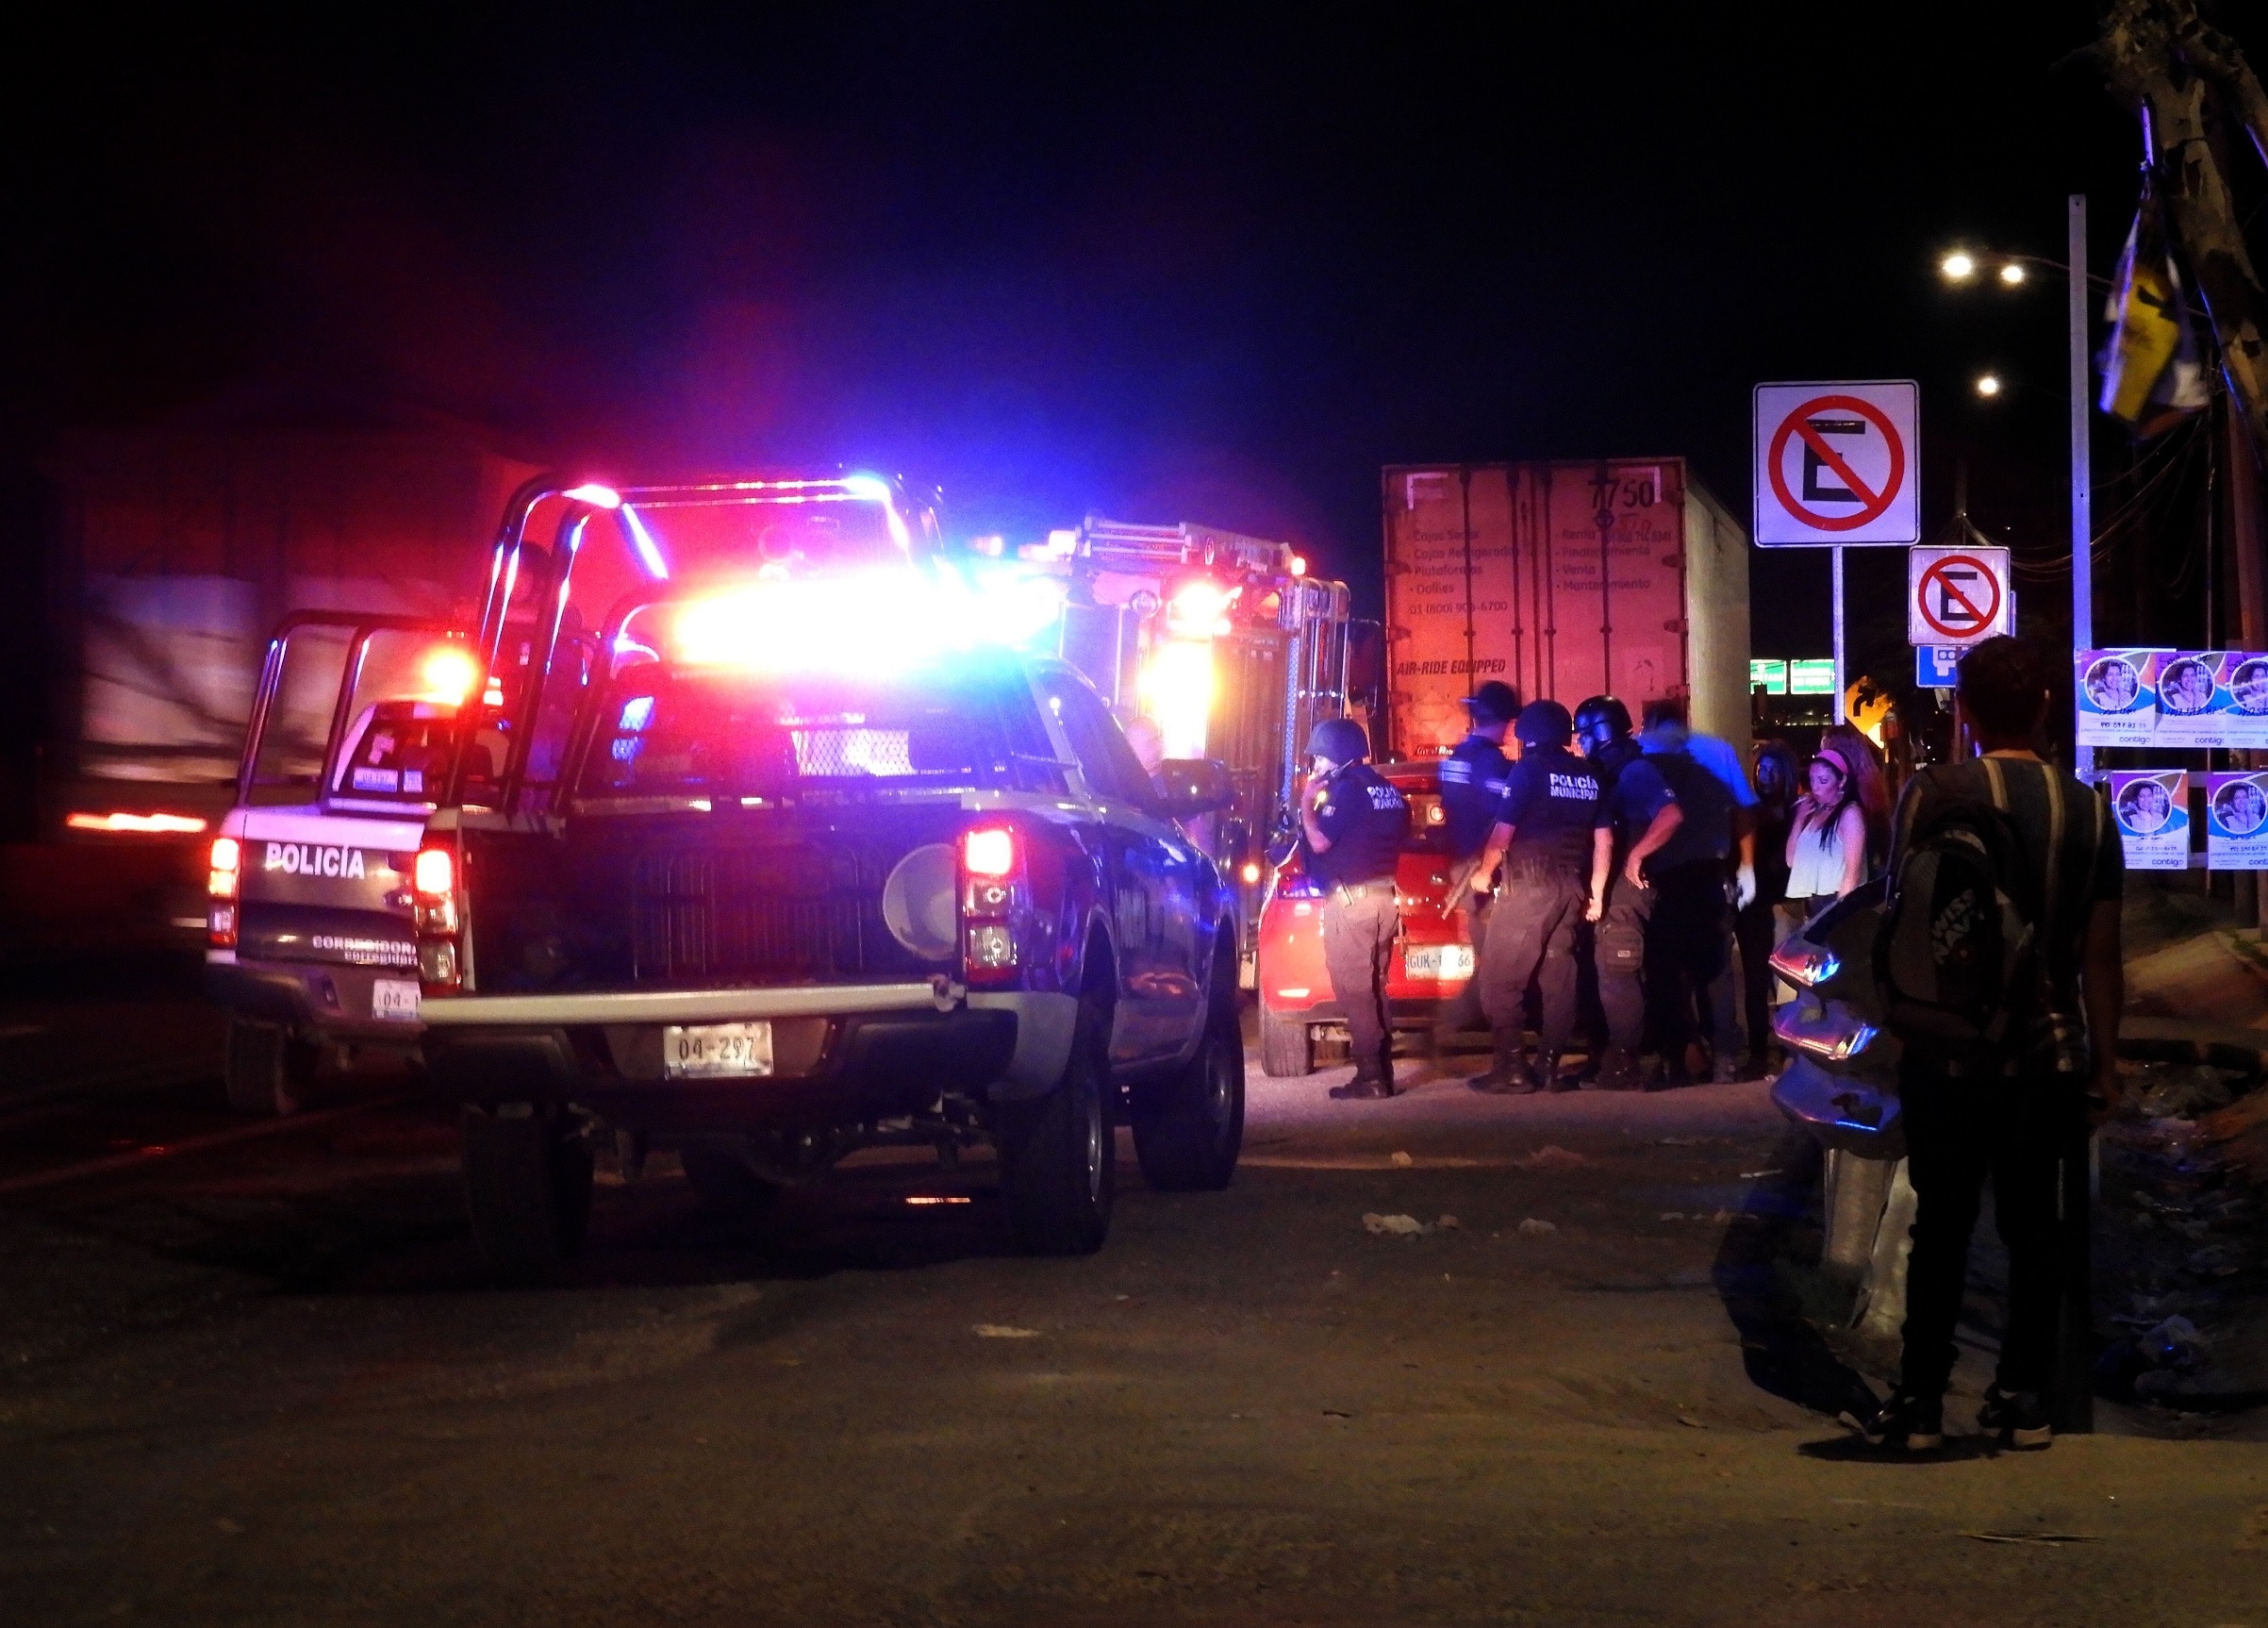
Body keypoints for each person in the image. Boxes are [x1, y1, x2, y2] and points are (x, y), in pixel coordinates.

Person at [1862, 637, 2125, 1454]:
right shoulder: (2087, 809)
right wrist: (2103, 1064)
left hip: (1941, 1050)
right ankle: (2022, 1397)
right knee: (2031, 1225)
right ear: (2047, 705)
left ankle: (1917, 1400)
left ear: (1965, 711)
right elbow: (2099, 954)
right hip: (2041, 1054)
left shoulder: (1928, 792)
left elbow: (1903, 911)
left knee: (1939, 1223)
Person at [1466, 700, 1603, 1093]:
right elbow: (1602, 838)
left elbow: (1504, 830)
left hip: (1530, 885)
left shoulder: (1529, 769)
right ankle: (1549, 1067)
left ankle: (1510, 1069)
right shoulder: (1588, 774)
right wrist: (1594, 892)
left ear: (1528, 735)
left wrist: (1483, 874)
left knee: (1498, 982)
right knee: (1559, 977)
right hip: (1571, 887)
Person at [1638, 699, 1753, 1084]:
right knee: (1715, 969)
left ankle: (1684, 1056)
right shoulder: (1715, 750)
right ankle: (1724, 1057)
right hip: (1710, 872)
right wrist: (1745, 865)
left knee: (1672, 971)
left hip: (1668, 876)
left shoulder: (1646, 751)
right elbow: (1743, 807)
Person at [1300, 717, 1410, 1102]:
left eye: (1320, 759)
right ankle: (1384, 1071)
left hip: (1352, 904)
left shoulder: (1344, 792)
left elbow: (1318, 843)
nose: (1316, 767)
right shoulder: (1389, 791)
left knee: (1355, 992)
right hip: (1384, 899)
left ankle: (1370, 1077)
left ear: (1338, 757)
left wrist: (1306, 806)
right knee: (1375, 990)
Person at [1579, 695, 1681, 1089]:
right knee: (1613, 974)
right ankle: (1617, 1057)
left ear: (1597, 733)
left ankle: (1625, 1064)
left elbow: (1672, 814)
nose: (1580, 744)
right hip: (1614, 887)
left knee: (1617, 973)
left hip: (1627, 890)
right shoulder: (1612, 768)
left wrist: (1637, 855)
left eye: (1584, 735)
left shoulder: (1634, 769)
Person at [1432, 680, 1519, 1048]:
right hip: (1485, 870)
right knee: (1496, 958)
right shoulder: (1492, 763)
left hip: (1462, 865)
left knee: (1487, 954)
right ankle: (1457, 1022)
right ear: (1504, 721)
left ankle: (1457, 1021)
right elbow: (1507, 817)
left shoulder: (1455, 758)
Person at [1737, 739, 1799, 1071]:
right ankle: (1758, 1050)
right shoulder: (1748, 809)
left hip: (1785, 902)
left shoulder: (1797, 811)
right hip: (1754, 904)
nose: (1765, 776)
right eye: (1762, 769)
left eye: (1774, 771)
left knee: (1787, 983)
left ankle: (1789, 1049)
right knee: (1755, 981)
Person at [1782, 745, 1869, 918]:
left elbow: (1853, 872)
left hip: (1835, 901)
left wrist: (1839, 915)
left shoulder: (1850, 814)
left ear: (1842, 780)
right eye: (1811, 780)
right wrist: (1799, 820)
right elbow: (1791, 860)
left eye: (1823, 781)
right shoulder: (1814, 810)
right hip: (1812, 904)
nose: (1815, 787)